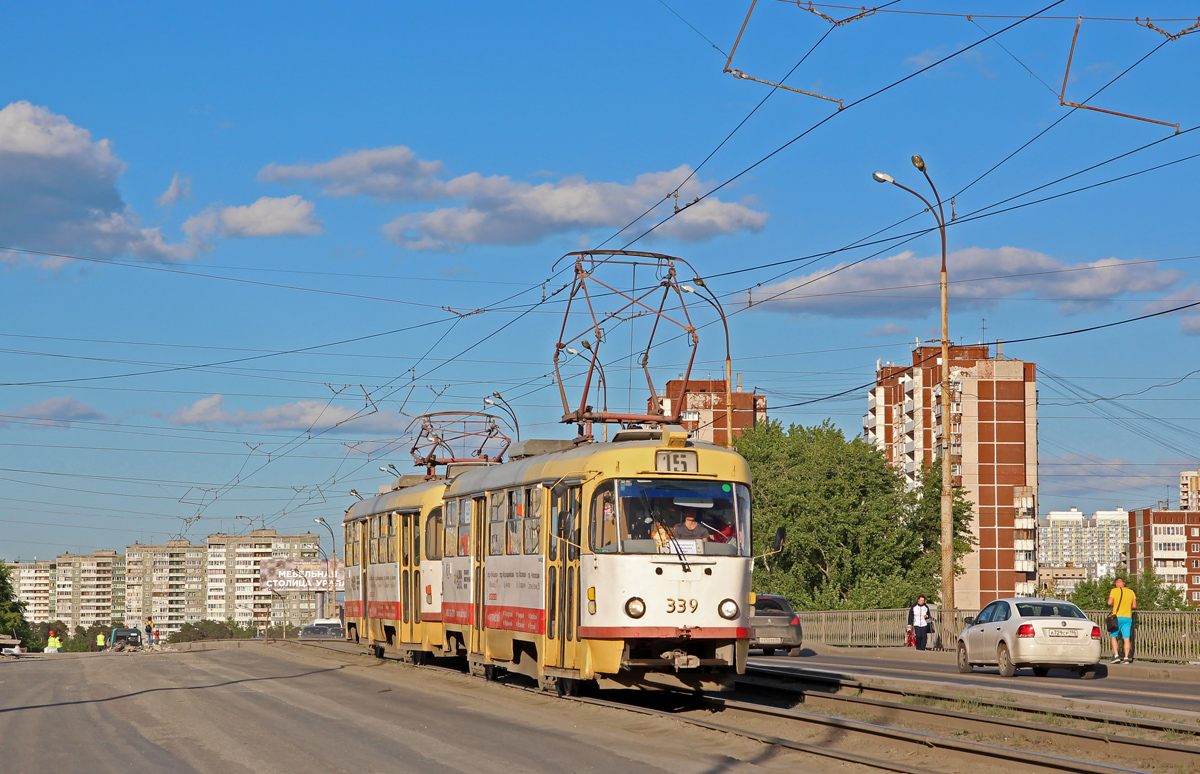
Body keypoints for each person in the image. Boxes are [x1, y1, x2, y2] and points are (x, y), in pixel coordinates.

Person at [1106, 576, 1137, 664]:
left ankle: (1116, 656)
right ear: (1123, 583)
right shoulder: (1131, 592)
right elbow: (1134, 606)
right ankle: (1126, 658)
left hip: (1117, 617)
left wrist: (1114, 604)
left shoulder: (1114, 591)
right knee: (1126, 638)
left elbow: (1109, 602)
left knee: (1113, 636)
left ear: (1116, 584)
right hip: (1128, 617)